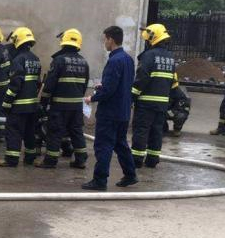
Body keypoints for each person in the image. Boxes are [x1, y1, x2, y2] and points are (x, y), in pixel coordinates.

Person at [82, 26, 137, 191]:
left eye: (104, 39)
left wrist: (92, 98)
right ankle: (130, 175)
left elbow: (109, 90)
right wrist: (103, 86)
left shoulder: (114, 61)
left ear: (111, 39)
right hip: (123, 111)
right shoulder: (128, 59)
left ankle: (99, 180)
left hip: (110, 113)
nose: (104, 43)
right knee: (120, 144)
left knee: (103, 146)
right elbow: (121, 85)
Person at [35, 29, 89, 169]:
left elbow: (49, 85)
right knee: (76, 132)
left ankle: (50, 161)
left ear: (64, 43)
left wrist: (43, 103)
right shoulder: (84, 62)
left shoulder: (59, 61)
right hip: (77, 106)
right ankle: (81, 160)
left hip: (59, 106)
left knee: (55, 132)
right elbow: (84, 85)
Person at [130, 24, 178, 169]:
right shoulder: (170, 57)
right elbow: (174, 82)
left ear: (152, 38)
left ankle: (137, 160)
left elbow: (142, 79)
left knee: (141, 130)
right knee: (157, 131)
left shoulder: (148, 56)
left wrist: (131, 96)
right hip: (162, 104)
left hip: (146, 103)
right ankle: (152, 159)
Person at [0, 27, 42, 167]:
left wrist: (6, 103)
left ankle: (11, 160)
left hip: (19, 106)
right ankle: (29, 158)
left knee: (13, 131)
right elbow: (38, 82)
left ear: (17, 41)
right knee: (29, 132)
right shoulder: (36, 59)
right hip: (32, 105)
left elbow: (15, 84)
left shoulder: (18, 60)